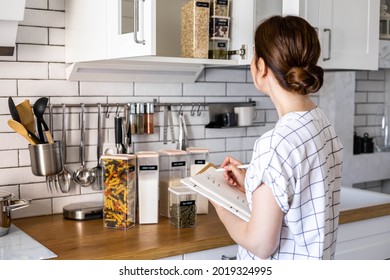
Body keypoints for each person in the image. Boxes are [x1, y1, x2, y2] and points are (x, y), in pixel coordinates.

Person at [213, 15, 343, 260]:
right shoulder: (322, 124)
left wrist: (220, 203)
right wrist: (252, 186)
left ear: (261, 66)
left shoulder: (274, 144)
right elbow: (295, 199)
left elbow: (260, 245)